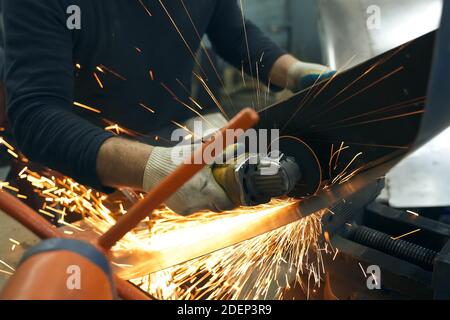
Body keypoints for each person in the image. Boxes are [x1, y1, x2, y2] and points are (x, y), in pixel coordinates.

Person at [3, 0, 333, 215]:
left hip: (171, 149)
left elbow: (234, 34)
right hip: (68, 181)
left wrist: (294, 70)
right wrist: (152, 167)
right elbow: (36, 115)